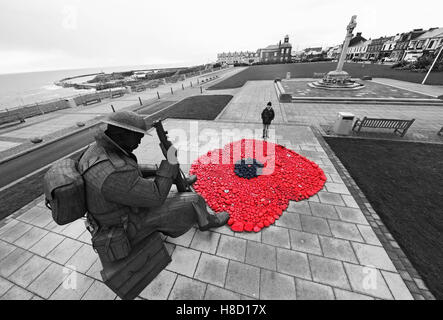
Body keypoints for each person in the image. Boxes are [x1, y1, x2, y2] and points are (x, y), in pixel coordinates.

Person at [78, 111, 229, 246]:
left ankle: (180, 181)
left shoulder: (99, 149)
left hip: (117, 207)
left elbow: (129, 170)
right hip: (125, 224)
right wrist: (170, 160)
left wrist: (160, 170)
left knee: (162, 173)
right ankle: (207, 221)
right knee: (195, 200)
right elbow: (156, 197)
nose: (139, 142)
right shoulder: (113, 174)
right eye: (137, 137)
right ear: (121, 134)